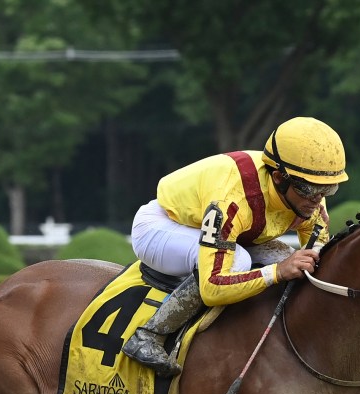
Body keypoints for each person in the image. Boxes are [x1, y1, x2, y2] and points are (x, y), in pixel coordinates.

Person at [121, 116, 348, 376]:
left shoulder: (307, 191)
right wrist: (278, 272)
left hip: (226, 226)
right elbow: (212, 287)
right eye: (309, 189)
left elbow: (316, 248)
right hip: (161, 226)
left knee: (292, 258)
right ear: (278, 177)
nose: (318, 200)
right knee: (239, 261)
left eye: (328, 190)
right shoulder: (231, 202)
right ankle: (149, 334)